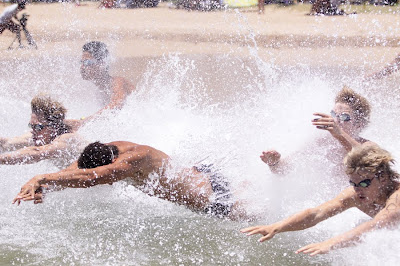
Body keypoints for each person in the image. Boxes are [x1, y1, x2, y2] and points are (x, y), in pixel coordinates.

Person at [13, 141, 248, 220]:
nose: (110, 182)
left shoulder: (132, 160)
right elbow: (76, 171)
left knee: (264, 219)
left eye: (110, 178)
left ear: (112, 164)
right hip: (203, 176)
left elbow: (91, 179)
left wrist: (40, 176)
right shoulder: (104, 149)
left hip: (216, 199)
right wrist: (45, 187)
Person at [242, 144, 400, 255]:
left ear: (384, 177)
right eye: (353, 183)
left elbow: (377, 224)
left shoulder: (397, 198)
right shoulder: (355, 194)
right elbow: (316, 213)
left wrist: (331, 243)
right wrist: (277, 227)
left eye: (365, 183)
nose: (358, 189)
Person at [260, 87, 372, 175]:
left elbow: (368, 161)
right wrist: (274, 162)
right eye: (333, 114)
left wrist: (339, 135)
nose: (335, 120)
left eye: (344, 117)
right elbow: (284, 171)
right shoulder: (322, 142)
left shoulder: (367, 145)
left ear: (359, 125)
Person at [0, 95, 83, 165]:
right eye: (31, 126)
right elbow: (6, 144)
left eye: (37, 127)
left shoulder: (67, 139)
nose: (33, 131)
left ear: (54, 127)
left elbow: (37, 153)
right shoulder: (39, 136)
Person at [80, 41, 135, 120]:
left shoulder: (117, 82)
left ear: (101, 64)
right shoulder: (99, 92)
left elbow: (116, 105)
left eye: (87, 62)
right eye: (81, 62)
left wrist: (84, 120)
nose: (82, 67)